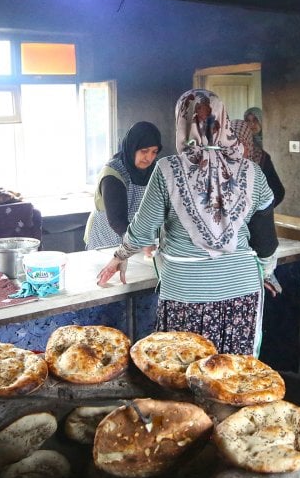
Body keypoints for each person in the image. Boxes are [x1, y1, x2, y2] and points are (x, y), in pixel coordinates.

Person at [96, 89, 278, 356]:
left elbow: (142, 232)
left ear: (182, 121)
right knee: (234, 373)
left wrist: (120, 255)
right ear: (223, 119)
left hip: (186, 293)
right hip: (242, 289)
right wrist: (267, 272)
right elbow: (266, 241)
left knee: (185, 372)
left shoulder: (167, 170)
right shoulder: (252, 171)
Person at [83, 121, 163, 249]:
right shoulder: (113, 174)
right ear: (132, 147)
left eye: (154, 152)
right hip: (108, 236)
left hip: (136, 235)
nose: (149, 158)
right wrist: (140, 243)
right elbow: (117, 220)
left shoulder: (156, 169)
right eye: (144, 151)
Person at [243, 107, 285, 208]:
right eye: (248, 121)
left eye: (255, 120)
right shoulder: (244, 143)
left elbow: (277, 190)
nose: (251, 124)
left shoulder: (270, 141)